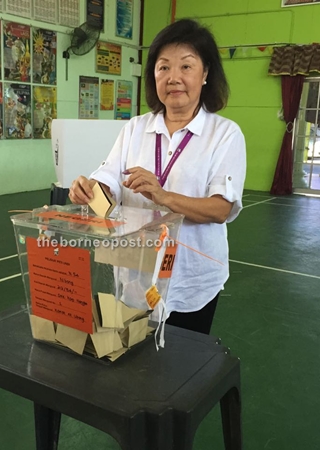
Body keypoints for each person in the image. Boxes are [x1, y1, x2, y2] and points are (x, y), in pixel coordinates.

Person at [68, 19, 246, 335]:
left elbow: (220, 210)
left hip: (191, 279)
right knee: (131, 363)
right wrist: (90, 191)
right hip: (134, 272)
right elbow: (108, 181)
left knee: (180, 368)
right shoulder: (134, 129)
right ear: (154, 75)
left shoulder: (224, 135)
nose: (173, 78)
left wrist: (163, 196)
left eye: (186, 67)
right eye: (163, 68)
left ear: (205, 74)